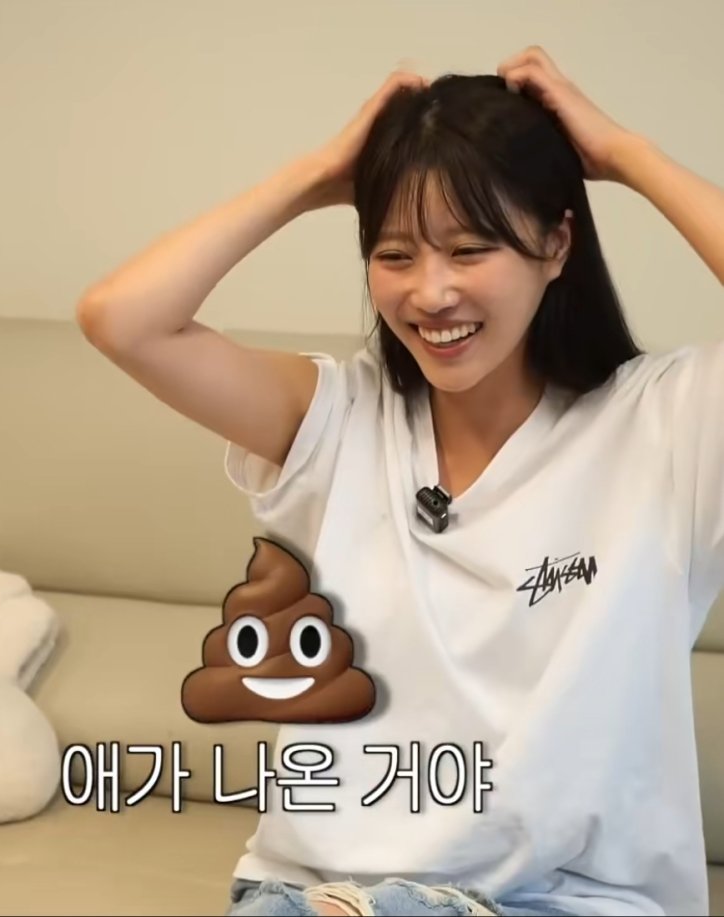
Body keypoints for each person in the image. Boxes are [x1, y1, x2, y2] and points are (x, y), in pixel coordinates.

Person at [76, 45, 724, 917]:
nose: (430, 293)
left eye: (469, 249)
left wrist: (628, 155)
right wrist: (315, 176)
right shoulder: (336, 417)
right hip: (313, 895)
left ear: (556, 242)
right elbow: (121, 319)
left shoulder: (668, 424)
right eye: (394, 254)